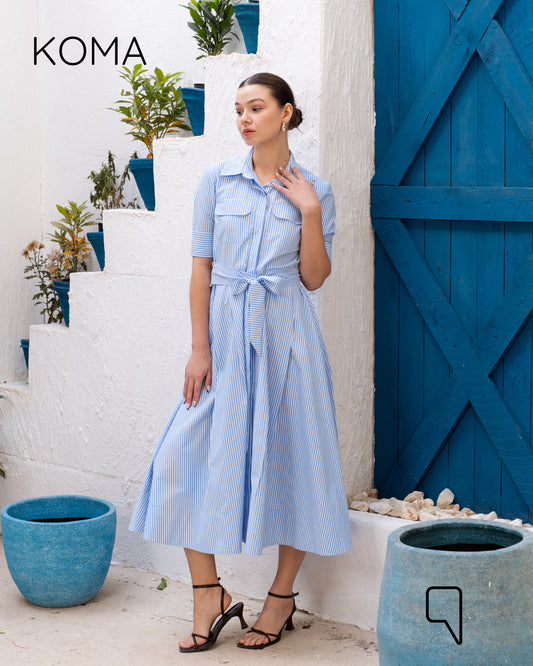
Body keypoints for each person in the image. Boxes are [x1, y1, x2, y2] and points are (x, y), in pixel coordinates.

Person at [129, 72, 353, 652]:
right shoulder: (216, 180)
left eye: (256, 108)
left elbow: (314, 278)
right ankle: (210, 593)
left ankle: (280, 598)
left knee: (296, 459)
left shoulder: (317, 189)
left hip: (288, 339)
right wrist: (198, 348)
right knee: (181, 456)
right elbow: (201, 268)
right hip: (225, 335)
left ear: (286, 113)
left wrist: (308, 212)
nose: (244, 119)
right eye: (237, 110)